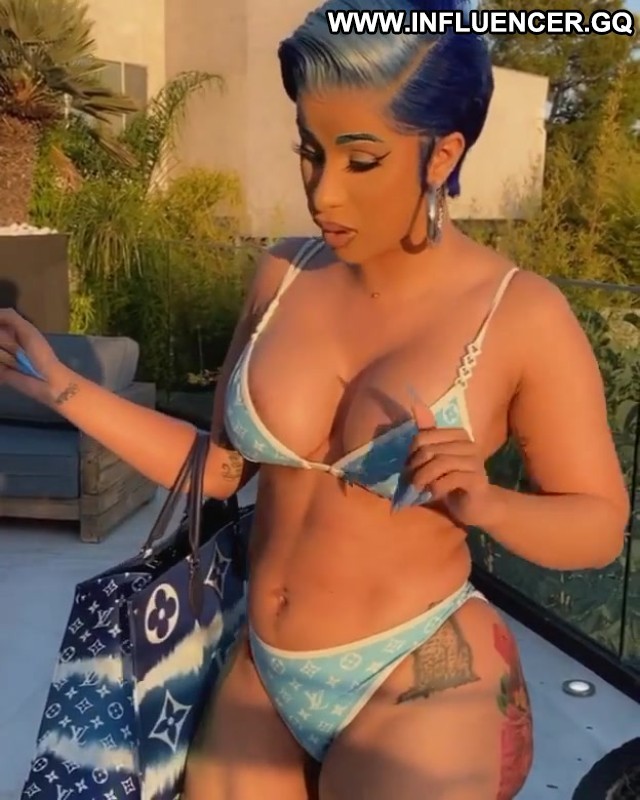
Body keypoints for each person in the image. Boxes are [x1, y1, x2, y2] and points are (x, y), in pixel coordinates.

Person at [0, 0, 630, 796]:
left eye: (361, 161)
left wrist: (490, 504)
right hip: (263, 670)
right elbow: (220, 472)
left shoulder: (523, 314)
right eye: (309, 151)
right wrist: (63, 388)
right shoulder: (283, 274)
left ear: (443, 153)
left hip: (419, 670)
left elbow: (599, 526)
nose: (323, 194)